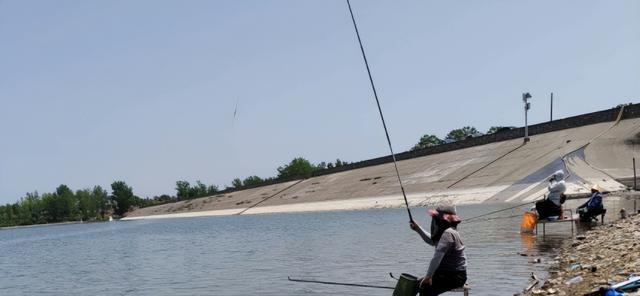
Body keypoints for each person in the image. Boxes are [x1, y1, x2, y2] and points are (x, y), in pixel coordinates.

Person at [409, 206, 467, 296]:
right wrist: (418, 228)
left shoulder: (448, 233)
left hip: (455, 276)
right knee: (416, 285)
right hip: (447, 274)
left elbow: (437, 257)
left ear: (442, 220)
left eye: (436, 219)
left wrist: (428, 276)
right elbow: (432, 241)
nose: (434, 222)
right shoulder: (448, 232)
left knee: (426, 290)